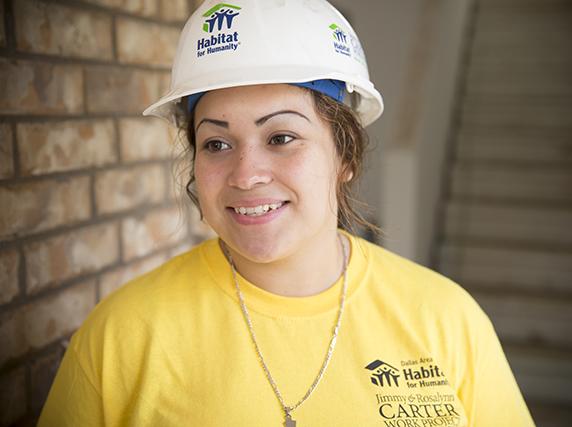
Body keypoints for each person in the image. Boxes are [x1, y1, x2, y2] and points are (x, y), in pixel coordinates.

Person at [39, 1, 535, 426]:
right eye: (216, 142)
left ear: (346, 156)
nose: (246, 173)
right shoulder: (120, 337)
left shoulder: (447, 320)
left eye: (281, 137)